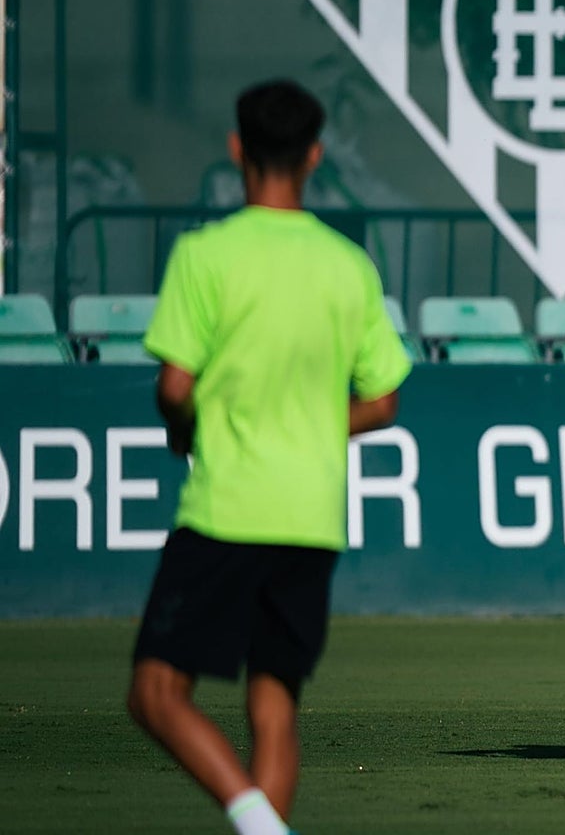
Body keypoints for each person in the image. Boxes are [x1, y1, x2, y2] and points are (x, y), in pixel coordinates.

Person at [126, 79, 411, 835]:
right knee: (274, 704)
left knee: (156, 693)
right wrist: (315, 424)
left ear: (235, 150)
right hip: (312, 519)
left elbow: (175, 387)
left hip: (227, 508)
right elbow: (382, 401)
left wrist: (187, 426)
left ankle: (260, 824)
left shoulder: (206, 253)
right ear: (315, 155)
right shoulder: (348, 264)